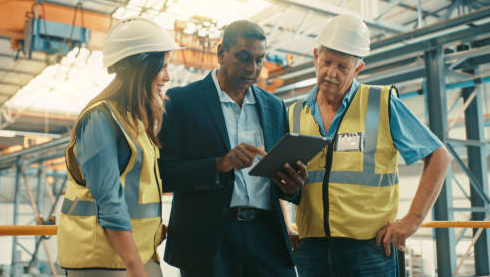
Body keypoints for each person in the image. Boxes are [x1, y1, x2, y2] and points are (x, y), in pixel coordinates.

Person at [289, 14, 452, 276]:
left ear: (358, 69)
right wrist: (285, 224)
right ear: (315, 56)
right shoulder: (294, 114)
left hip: (369, 250)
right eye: (327, 62)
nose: (331, 72)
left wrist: (412, 221)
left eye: (342, 67)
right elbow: (275, 174)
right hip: (310, 249)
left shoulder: (381, 103)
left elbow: (439, 157)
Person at [159, 20, 307, 277]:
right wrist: (220, 164)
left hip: (266, 237)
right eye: (243, 57)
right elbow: (164, 174)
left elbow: (282, 182)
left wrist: (292, 185)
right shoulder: (181, 102)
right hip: (208, 241)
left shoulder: (274, 107)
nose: (253, 68)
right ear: (220, 54)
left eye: (259, 60)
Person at [57, 17, 180, 277]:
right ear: (141, 66)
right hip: (104, 258)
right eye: (163, 66)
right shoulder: (99, 118)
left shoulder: (133, 120)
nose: (168, 76)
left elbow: (137, 192)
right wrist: (134, 265)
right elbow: (109, 199)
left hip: (135, 253)